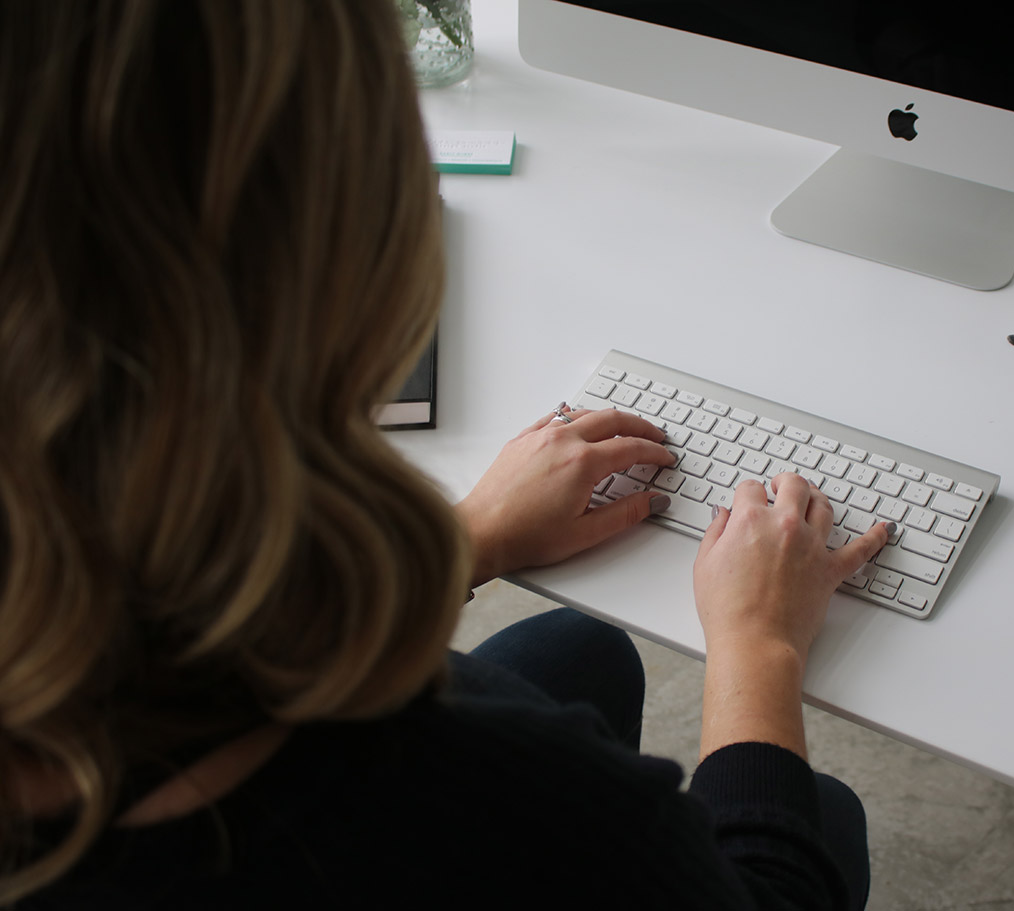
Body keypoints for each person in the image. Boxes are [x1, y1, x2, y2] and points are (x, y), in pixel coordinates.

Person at [0, 2, 891, 908]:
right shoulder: (507, 806)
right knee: (822, 810)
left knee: (583, 649)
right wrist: (759, 647)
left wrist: (474, 541)